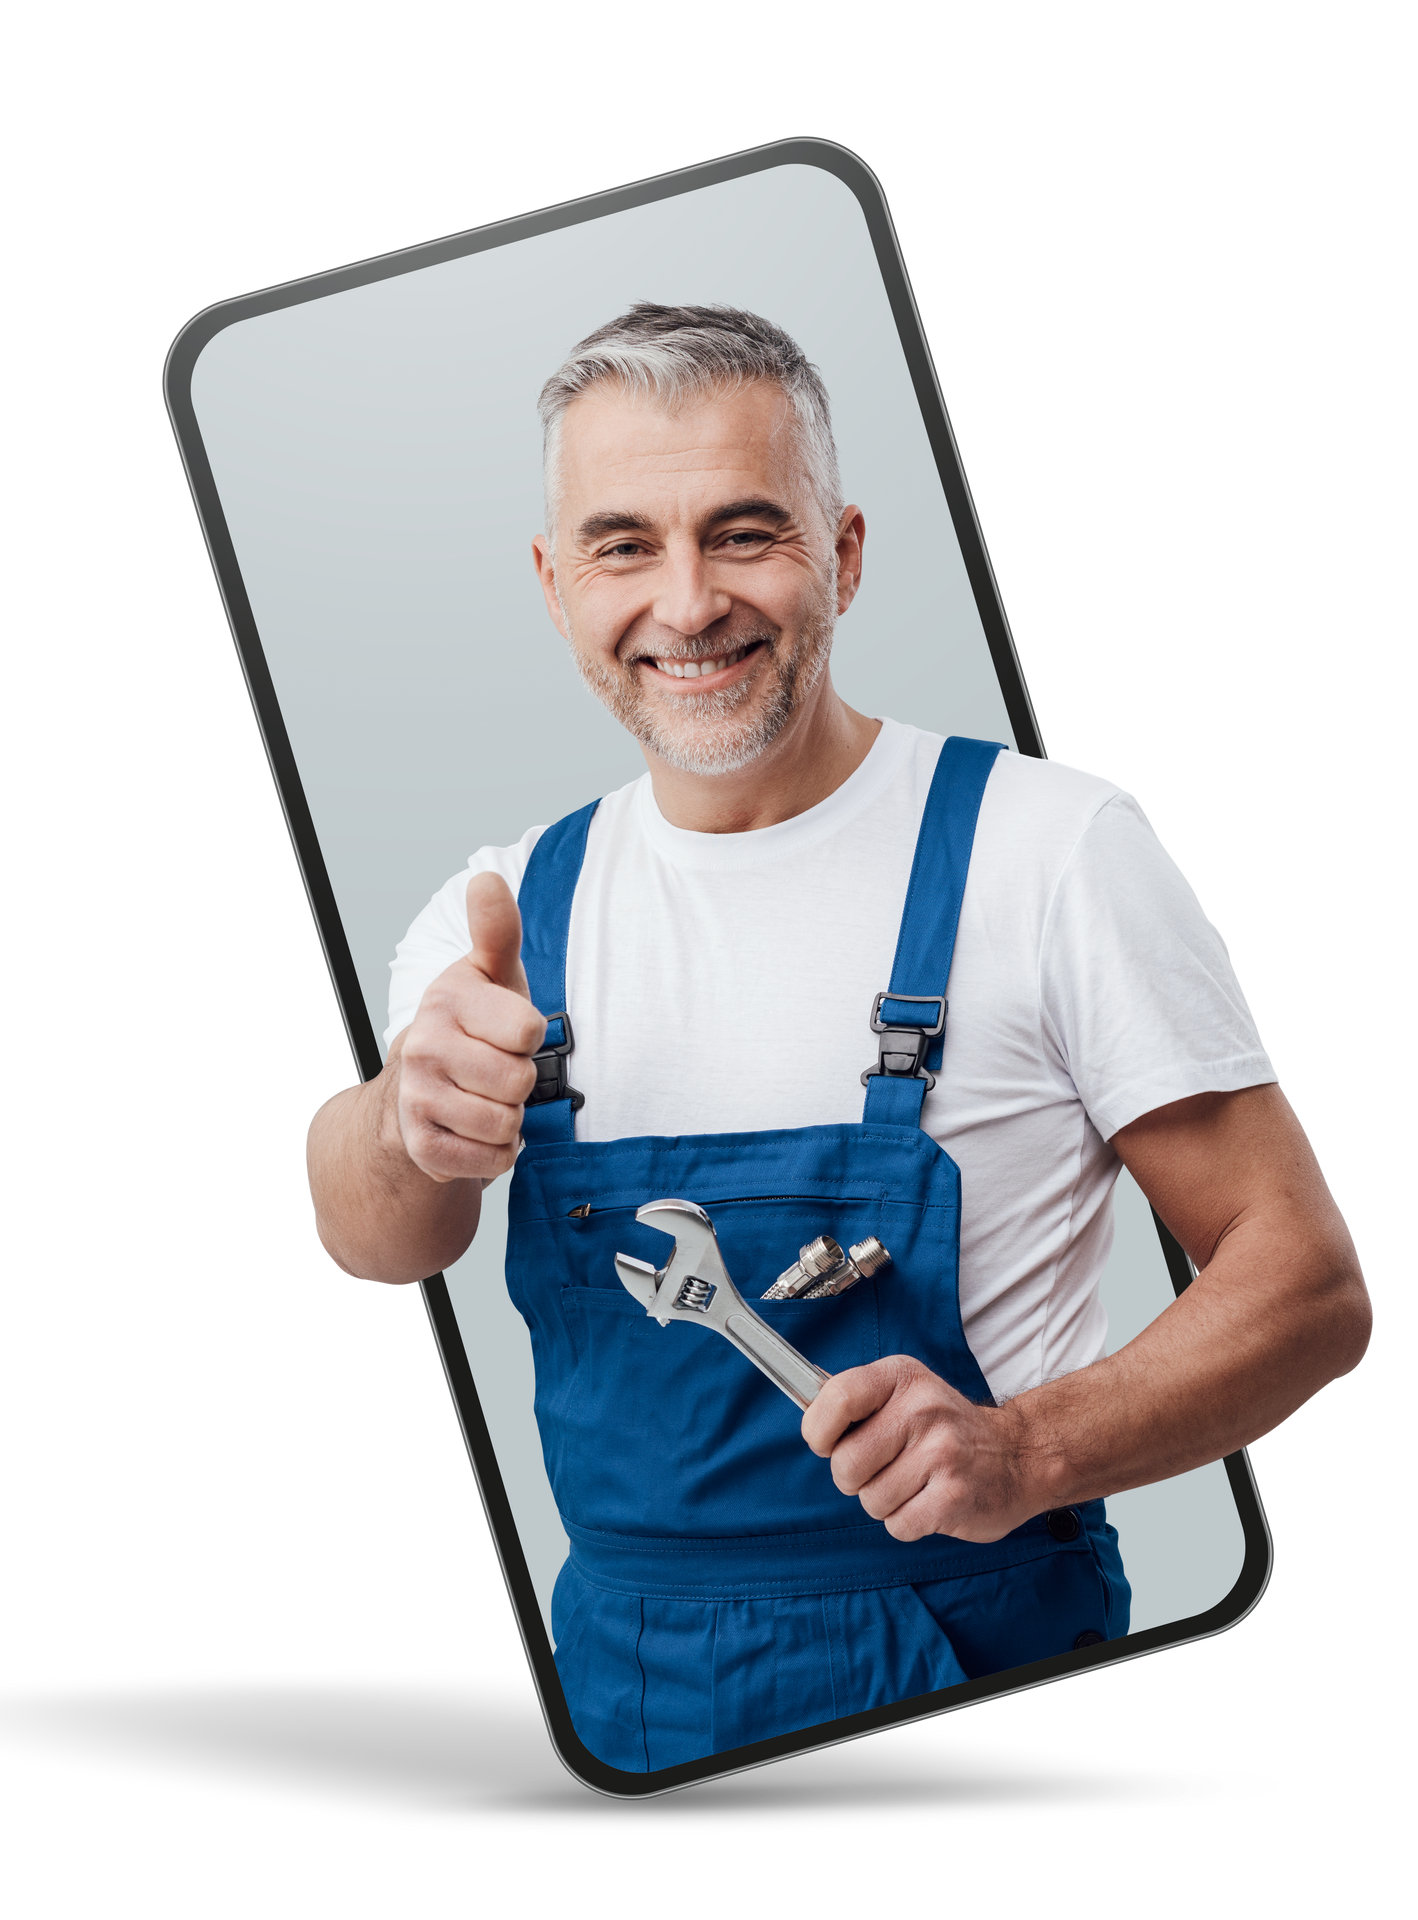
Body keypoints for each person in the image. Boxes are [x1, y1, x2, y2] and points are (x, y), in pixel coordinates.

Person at [305, 304, 1370, 1772]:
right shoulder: (503, 910)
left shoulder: (1047, 847)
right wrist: (400, 1122)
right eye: (623, 545)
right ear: (554, 587)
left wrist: (1029, 1450)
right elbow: (376, 1237)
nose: (685, 604)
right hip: (623, 1688)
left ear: (846, 553)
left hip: (979, 1650)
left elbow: (1306, 1284)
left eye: (744, 533)